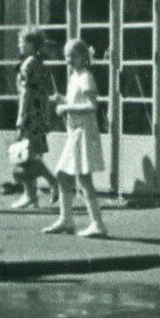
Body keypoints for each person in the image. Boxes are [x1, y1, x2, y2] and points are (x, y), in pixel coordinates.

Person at [44, 37, 110, 239]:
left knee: (83, 178)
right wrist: (61, 99)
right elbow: (77, 101)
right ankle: (66, 219)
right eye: (66, 57)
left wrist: (65, 107)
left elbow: (92, 107)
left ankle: (97, 224)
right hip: (75, 132)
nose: (68, 60)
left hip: (84, 132)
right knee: (63, 174)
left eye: (72, 56)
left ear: (83, 57)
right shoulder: (75, 77)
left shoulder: (86, 77)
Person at [10, 29, 60, 210]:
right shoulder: (39, 63)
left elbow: (26, 92)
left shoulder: (27, 65)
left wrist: (20, 116)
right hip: (38, 114)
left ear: (30, 44)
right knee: (28, 155)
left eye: (22, 42)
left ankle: (53, 184)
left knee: (28, 156)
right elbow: (44, 91)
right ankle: (30, 195)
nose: (19, 45)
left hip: (29, 114)